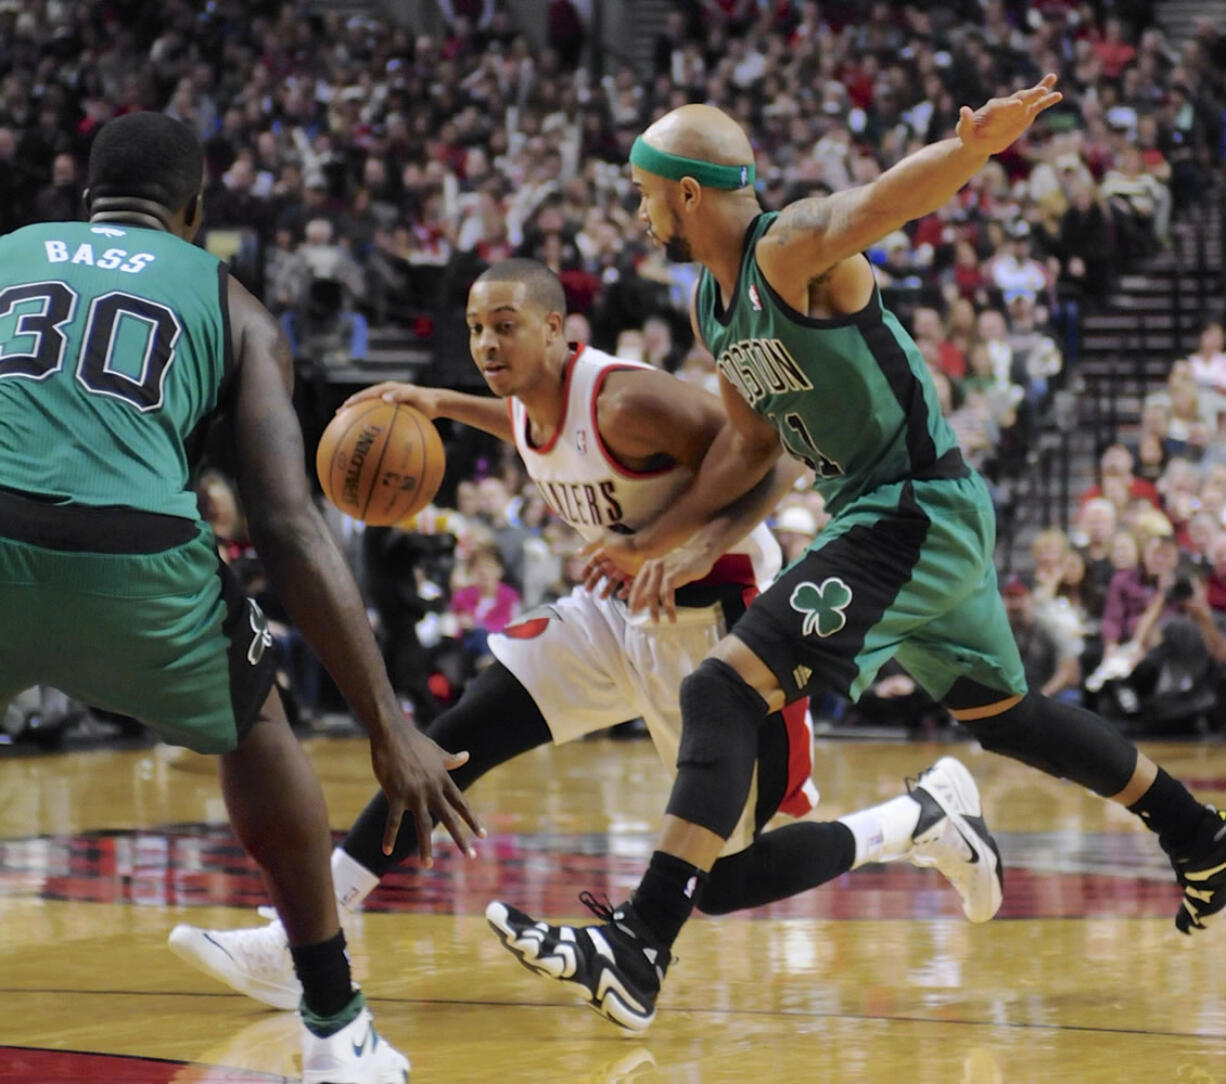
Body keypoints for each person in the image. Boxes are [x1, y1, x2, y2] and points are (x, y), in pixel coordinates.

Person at [485, 82, 1226, 1033]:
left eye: (643, 190)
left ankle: (639, 944)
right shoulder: (717, 306)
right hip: (891, 516)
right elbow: (751, 449)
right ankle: (1199, 832)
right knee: (1007, 717)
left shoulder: (786, 247)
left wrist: (971, 150)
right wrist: (674, 541)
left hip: (910, 507)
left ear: (687, 194)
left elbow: (874, 204)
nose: (635, 210)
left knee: (719, 690)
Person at [166, 258, 999, 1011]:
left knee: (722, 879)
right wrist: (438, 404)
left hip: (720, 624)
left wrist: (672, 545)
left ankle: (921, 820)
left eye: (504, 325)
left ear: (558, 331)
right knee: (450, 745)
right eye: (474, 328)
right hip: (617, 614)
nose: (486, 341)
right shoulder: (534, 405)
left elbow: (770, 453)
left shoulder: (627, 400)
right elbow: (530, 434)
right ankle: (303, 941)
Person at [0, 113, 483, 1082]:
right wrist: (387, 725)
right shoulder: (232, 304)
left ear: (87, 194)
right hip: (132, 555)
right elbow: (287, 525)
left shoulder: (5, 254)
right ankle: (335, 1022)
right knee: (256, 725)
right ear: (192, 210)